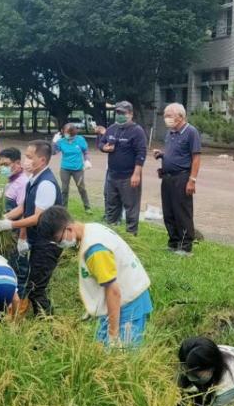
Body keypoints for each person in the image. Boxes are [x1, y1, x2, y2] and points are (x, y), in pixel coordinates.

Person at [37, 205, 152, 348]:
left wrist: (113, 334)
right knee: (102, 350)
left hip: (129, 304)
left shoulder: (94, 250)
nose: (59, 244)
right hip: (122, 300)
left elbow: (113, 291)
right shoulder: (90, 228)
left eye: (58, 240)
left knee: (120, 357)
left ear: (69, 229)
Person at [0, 140, 63, 316]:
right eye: (26, 156)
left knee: (36, 287)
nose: (26, 160)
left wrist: (12, 225)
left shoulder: (46, 184)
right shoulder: (33, 179)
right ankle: (41, 319)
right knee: (33, 284)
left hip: (48, 243)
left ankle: (48, 324)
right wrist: (5, 219)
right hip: (37, 239)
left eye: (30, 157)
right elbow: (24, 208)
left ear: (42, 160)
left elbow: (39, 216)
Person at [154, 103, 201, 256]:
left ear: (180, 116)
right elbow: (175, 153)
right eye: (165, 115)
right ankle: (173, 242)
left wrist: (192, 180)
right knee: (169, 211)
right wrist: (162, 155)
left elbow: (196, 157)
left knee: (182, 212)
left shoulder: (191, 132)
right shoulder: (171, 133)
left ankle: (185, 246)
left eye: (169, 115)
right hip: (167, 177)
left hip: (182, 177)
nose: (166, 118)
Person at [96, 101, 146, 235]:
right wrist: (104, 148)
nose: (119, 115)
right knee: (111, 205)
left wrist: (136, 174)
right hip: (112, 175)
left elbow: (141, 154)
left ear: (130, 114)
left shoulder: (137, 131)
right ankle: (111, 232)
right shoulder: (112, 128)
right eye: (117, 113)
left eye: (122, 113)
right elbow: (101, 142)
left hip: (129, 176)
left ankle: (131, 235)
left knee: (131, 207)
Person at [0, 147, 30, 295]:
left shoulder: (23, 182)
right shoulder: (11, 180)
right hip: (7, 230)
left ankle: (21, 298)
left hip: (17, 230)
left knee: (18, 265)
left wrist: (6, 218)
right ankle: (9, 294)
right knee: (8, 261)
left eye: (5, 164)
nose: (2, 168)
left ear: (17, 163)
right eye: (0, 164)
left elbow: (23, 210)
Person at [54, 122, 91, 213]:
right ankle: (63, 209)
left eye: (68, 133)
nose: (66, 134)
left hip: (78, 169)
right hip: (65, 168)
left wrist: (87, 160)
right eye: (65, 132)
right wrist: (54, 142)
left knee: (81, 188)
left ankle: (87, 207)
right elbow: (53, 152)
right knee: (64, 189)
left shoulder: (80, 139)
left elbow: (85, 151)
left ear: (73, 133)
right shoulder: (61, 141)